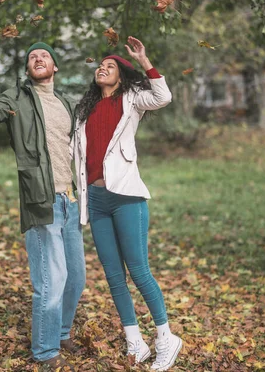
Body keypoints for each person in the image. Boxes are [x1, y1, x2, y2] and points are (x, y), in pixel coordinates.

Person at [0, 40, 85, 371]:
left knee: (75, 278)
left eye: (45, 55)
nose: (38, 58)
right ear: (28, 68)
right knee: (51, 279)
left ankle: (60, 333)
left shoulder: (66, 102)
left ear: (55, 66)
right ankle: (46, 351)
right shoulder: (16, 99)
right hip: (41, 200)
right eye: (33, 56)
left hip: (70, 200)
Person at [73, 36, 183, 371]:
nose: (102, 69)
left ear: (121, 75)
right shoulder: (84, 109)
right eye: (100, 66)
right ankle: (135, 341)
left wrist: (145, 59)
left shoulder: (133, 98)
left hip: (126, 196)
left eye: (110, 66)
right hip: (96, 199)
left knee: (137, 269)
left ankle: (166, 337)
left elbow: (163, 96)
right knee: (112, 274)